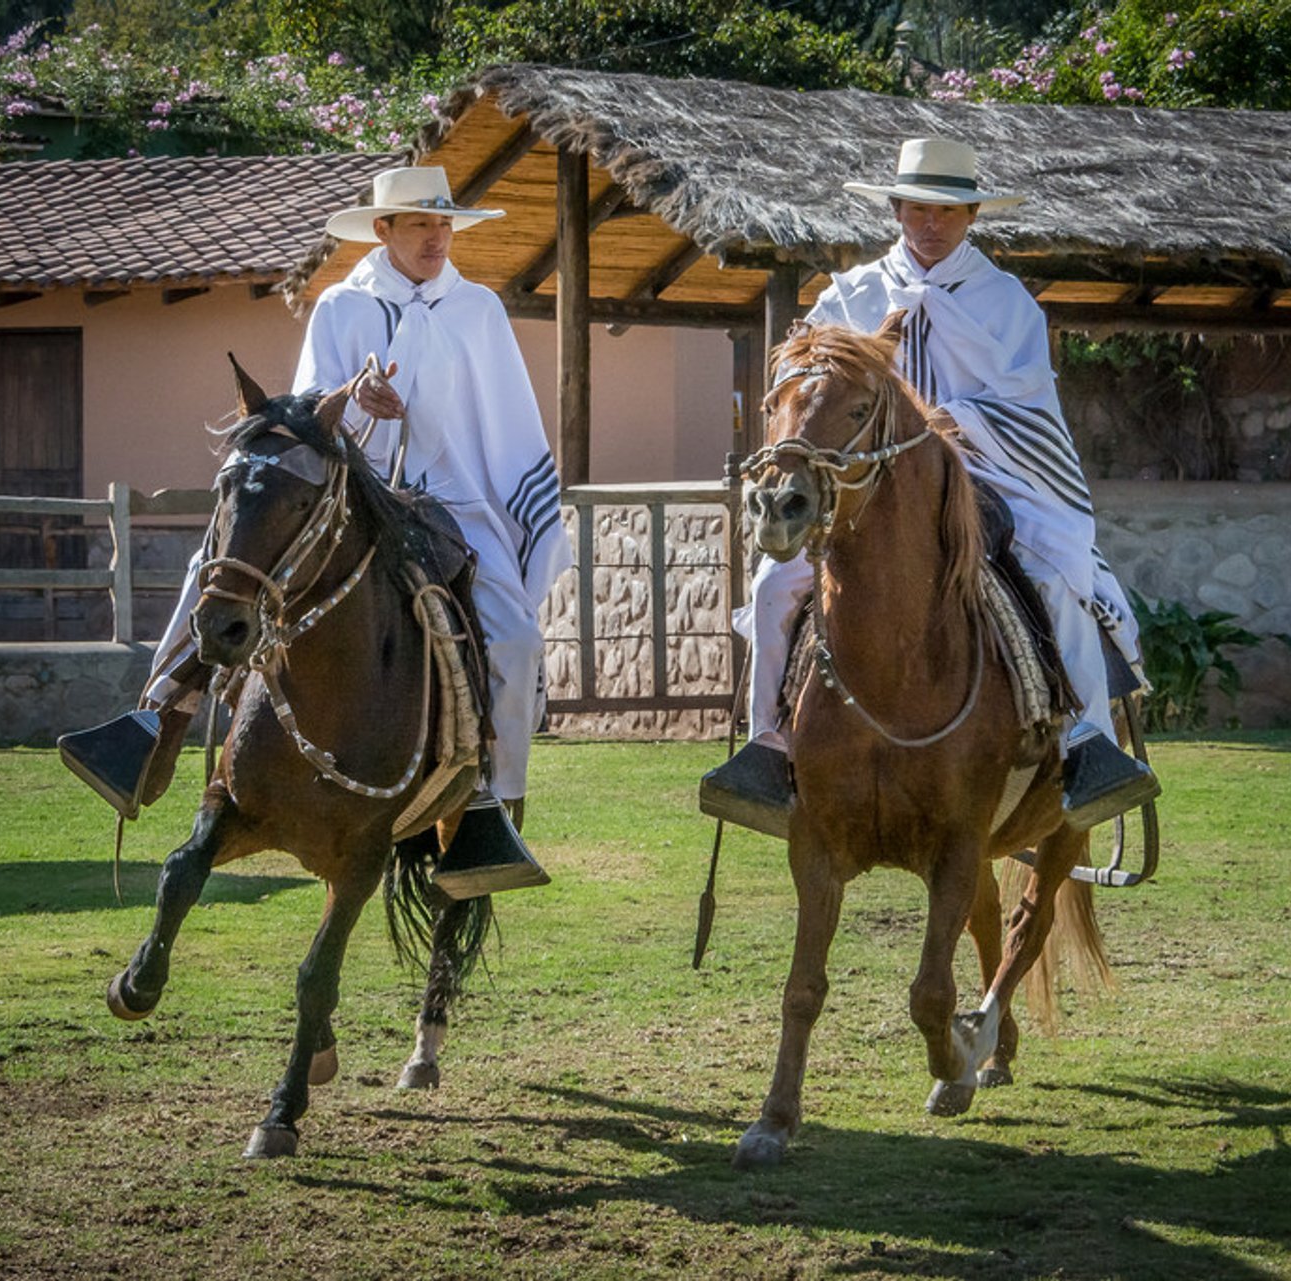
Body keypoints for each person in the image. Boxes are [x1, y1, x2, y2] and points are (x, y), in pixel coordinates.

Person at [59, 166, 573, 895]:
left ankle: (489, 800)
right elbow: (304, 420)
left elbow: (507, 429)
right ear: (384, 231)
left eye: (444, 223)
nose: (437, 236)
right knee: (223, 561)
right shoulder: (340, 306)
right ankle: (154, 724)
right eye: (421, 224)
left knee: (517, 637)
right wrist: (353, 400)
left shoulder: (479, 311)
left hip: (453, 504)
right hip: (349, 495)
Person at [701, 137, 1158, 835]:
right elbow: (802, 390)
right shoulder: (847, 296)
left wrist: (959, 419)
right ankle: (766, 744)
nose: (930, 224)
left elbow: (1032, 410)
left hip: (987, 474)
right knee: (772, 585)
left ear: (972, 216)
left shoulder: (1008, 304)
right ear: (896, 208)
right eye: (918, 208)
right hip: (859, 488)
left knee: (1058, 572)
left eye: (947, 211)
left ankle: (1087, 743)